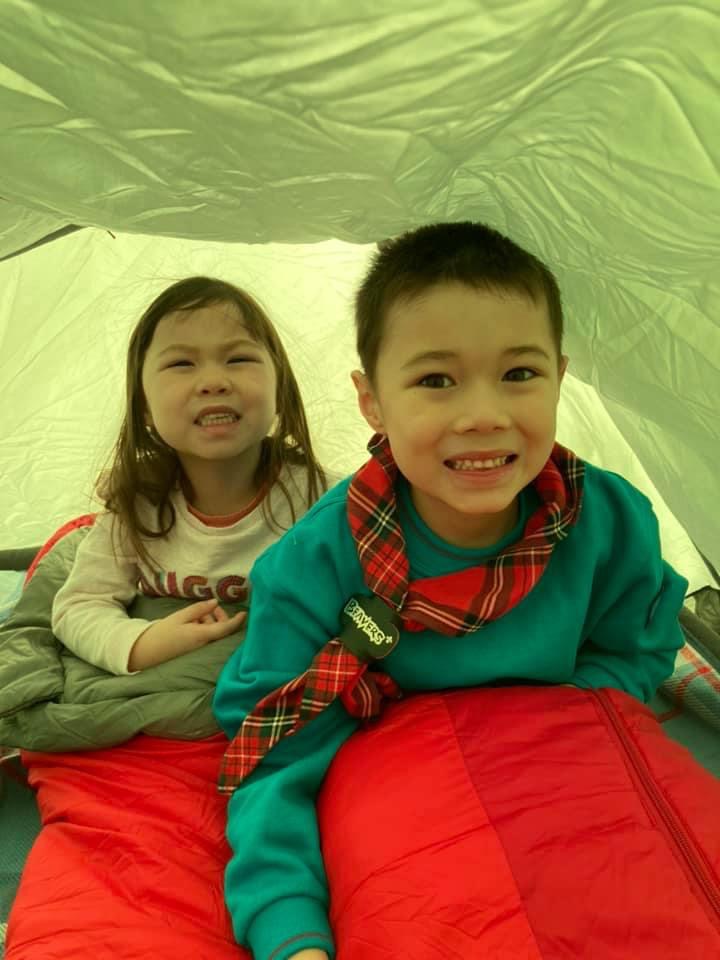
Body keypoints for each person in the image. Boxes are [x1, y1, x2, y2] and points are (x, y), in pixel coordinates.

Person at [211, 223, 689, 960]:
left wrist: (557, 724)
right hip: (402, 793)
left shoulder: (610, 522)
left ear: (560, 376)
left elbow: (636, 648)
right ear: (372, 401)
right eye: (436, 381)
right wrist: (292, 932)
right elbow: (278, 751)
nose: (484, 416)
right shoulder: (314, 564)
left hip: (564, 778)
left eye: (519, 373)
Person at [52, 276, 334, 675]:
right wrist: (144, 643)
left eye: (238, 359)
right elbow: (78, 605)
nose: (214, 382)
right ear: (144, 407)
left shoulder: (326, 501)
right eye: (181, 364)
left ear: (280, 391)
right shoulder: (137, 502)